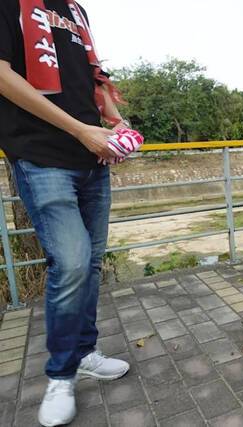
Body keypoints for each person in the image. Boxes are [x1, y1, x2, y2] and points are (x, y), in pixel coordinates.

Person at [0, 1, 130, 425]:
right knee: (70, 263)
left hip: (93, 158)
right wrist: (79, 130)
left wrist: (114, 121)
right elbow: (2, 73)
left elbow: (88, 78)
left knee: (89, 265)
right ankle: (60, 373)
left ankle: (85, 352)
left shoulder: (75, 10)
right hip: (42, 156)